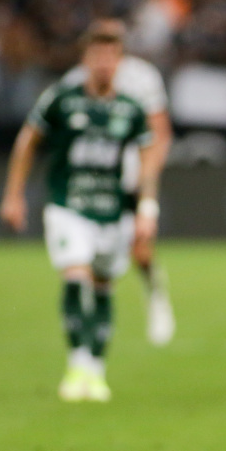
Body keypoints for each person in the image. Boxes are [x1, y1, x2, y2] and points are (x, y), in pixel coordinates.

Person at [0, 20, 158, 402]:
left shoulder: (131, 109)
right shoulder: (61, 99)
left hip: (113, 211)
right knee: (75, 276)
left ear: (120, 61)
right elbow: (27, 141)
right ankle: (77, 364)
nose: (104, 62)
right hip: (68, 206)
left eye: (112, 55)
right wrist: (13, 195)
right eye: (97, 54)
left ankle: (97, 371)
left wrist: (146, 208)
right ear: (86, 58)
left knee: (103, 286)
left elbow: (147, 155)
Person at [61, 18, 176, 346]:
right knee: (86, 260)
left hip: (131, 176)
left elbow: (159, 132)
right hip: (89, 182)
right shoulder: (73, 82)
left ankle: (155, 292)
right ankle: (85, 329)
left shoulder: (142, 77)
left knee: (140, 252)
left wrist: (148, 181)